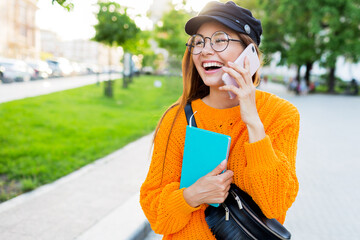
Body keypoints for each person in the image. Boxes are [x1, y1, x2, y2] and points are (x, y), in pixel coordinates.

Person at [140, 1, 300, 239]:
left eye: (220, 40)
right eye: (199, 42)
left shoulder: (280, 114)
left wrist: (254, 123)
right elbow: (156, 216)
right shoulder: (177, 118)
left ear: (250, 53)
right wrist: (191, 196)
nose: (205, 50)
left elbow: (274, 204)